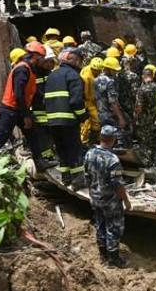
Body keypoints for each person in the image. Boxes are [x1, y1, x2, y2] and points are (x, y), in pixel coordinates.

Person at [84, 125, 132, 268]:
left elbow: (86, 176)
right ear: (113, 140)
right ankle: (114, 259)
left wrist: (92, 193)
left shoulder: (89, 154)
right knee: (114, 228)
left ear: (100, 137)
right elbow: (118, 184)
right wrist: (126, 201)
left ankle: (103, 255)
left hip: (95, 198)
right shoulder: (113, 160)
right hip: (110, 201)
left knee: (100, 225)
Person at [0, 43, 43, 155]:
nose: (43, 61)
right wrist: (26, 115)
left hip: (18, 109)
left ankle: (40, 161)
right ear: (35, 56)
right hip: (10, 110)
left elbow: (33, 91)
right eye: (42, 58)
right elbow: (19, 94)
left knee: (33, 134)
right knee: (0, 137)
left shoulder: (30, 69)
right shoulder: (22, 69)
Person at [45, 47, 89, 188]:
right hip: (69, 121)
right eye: (79, 60)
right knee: (74, 150)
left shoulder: (52, 76)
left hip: (52, 121)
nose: (80, 63)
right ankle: (78, 181)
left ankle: (66, 178)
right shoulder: (74, 76)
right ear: (73, 59)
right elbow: (76, 101)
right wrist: (83, 116)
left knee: (61, 150)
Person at [135, 64, 156, 164]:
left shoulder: (142, 90)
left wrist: (137, 117)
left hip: (146, 121)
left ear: (143, 76)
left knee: (147, 143)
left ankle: (149, 162)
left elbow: (139, 108)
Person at [94, 56, 129, 138]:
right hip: (111, 115)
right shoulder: (110, 82)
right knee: (115, 138)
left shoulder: (97, 79)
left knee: (104, 136)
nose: (116, 72)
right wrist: (121, 118)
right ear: (108, 69)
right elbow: (113, 102)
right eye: (114, 70)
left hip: (100, 113)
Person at [80, 57, 103, 145]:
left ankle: (92, 140)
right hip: (88, 102)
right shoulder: (87, 77)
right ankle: (85, 141)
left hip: (92, 100)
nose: (99, 73)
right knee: (94, 122)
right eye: (97, 71)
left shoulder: (88, 69)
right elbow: (86, 94)